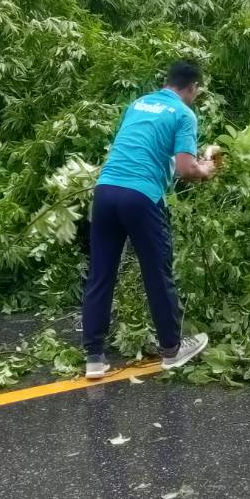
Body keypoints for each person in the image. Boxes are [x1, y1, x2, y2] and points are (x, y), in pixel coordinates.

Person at [82, 60, 220, 379]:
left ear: (166, 81)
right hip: (139, 196)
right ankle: (172, 350)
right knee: (157, 272)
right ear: (193, 88)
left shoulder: (139, 103)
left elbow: (148, 151)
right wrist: (206, 169)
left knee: (101, 273)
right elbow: (186, 170)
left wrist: (186, 162)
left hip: (105, 191)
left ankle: (94, 358)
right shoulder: (184, 114)